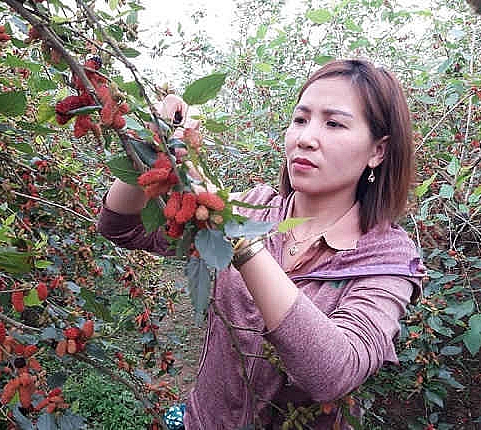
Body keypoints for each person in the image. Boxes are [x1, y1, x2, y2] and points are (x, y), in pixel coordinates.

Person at [97, 59, 426, 429]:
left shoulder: (387, 256)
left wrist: (236, 236)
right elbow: (122, 227)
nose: (306, 138)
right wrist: (150, 142)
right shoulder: (253, 206)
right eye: (300, 119)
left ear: (378, 151)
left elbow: (335, 373)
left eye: (334, 123)